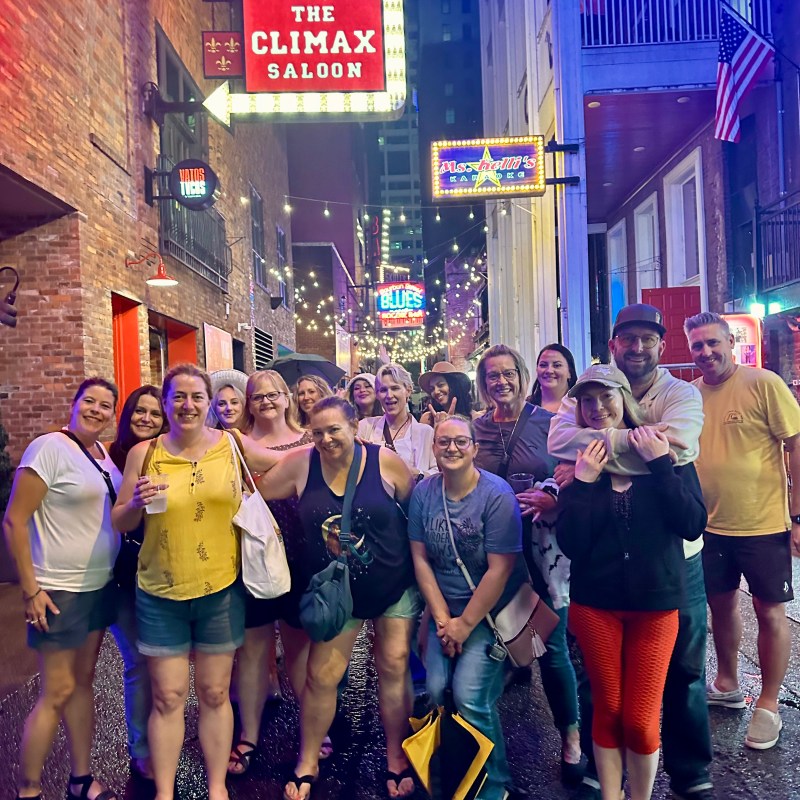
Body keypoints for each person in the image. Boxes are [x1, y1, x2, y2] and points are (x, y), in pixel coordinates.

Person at [549, 303, 712, 800]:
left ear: (660, 344)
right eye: (628, 338)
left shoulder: (679, 393)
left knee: (684, 672)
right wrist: (635, 450)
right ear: (613, 344)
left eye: (647, 338)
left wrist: (601, 455)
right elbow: (560, 439)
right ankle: (605, 776)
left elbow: (681, 446)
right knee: (604, 693)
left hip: (672, 565)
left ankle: (689, 772)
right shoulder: (591, 391)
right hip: (601, 587)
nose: (637, 347)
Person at [112, 364, 283, 800]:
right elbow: (120, 521)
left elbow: (287, 457)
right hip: (159, 592)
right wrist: (134, 503)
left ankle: (217, 787)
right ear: (166, 403)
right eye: (178, 397)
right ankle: (165, 792)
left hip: (221, 590)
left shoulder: (231, 444)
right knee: (168, 697)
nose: (187, 405)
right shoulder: (144, 453)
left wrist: (341, 442)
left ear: (209, 404)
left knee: (214, 691)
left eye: (196, 397)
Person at [258, 397, 418, 800]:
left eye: (335, 430)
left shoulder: (385, 462)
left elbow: (411, 507)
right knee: (321, 675)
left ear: (355, 426)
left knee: (394, 666)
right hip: (336, 593)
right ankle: (308, 759)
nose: (327, 439)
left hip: (392, 584)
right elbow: (256, 488)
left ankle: (396, 756)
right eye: (317, 432)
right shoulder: (301, 464)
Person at [684, 311, 800, 751]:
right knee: (721, 606)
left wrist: (798, 515)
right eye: (697, 345)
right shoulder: (691, 395)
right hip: (709, 526)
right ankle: (728, 681)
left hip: (763, 523)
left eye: (713, 342)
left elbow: (796, 443)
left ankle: (768, 704)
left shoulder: (763, 383)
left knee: (770, 612)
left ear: (730, 342)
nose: (706, 352)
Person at [3, 377, 121, 800]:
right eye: (89, 401)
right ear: (74, 403)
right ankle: (29, 789)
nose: (96, 410)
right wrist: (31, 590)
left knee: (82, 683)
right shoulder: (49, 447)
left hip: (98, 586)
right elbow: (14, 520)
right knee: (56, 692)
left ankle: (80, 779)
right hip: (58, 590)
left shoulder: (102, 454)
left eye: (105, 405)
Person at [473, 344, 583, 783]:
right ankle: (486, 752)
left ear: (522, 377)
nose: (501, 382)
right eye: (492, 375)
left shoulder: (550, 422)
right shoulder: (476, 427)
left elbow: (573, 473)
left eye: (508, 374)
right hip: (492, 550)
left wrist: (553, 495)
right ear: (483, 383)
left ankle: (571, 738)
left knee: (551, 645)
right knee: (493, 638)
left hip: (540, 548)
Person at [409, 416, 529, 800]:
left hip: (489, 613)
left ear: (475, 448)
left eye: (461, 441)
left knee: (469, 696)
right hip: (443, 611)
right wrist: (443, 619)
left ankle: (495, 785)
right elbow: (420, 559)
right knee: (434, 688)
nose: (452, 448)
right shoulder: (424, 493)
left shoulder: (497, 495)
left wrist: (464, 625)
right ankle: (454, 775)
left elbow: (500, 569)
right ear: (434, 448)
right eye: (444, 441)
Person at [227, 369, 313, 777]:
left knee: (299, 648)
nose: (266, 401)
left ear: (286, 398)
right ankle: (248, 734)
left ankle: (311, 727)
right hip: (253, 556)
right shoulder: (234, 444)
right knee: (253, 652)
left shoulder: (309, 437)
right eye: (257, 396)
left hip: (299, 554)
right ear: (248, 403)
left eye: (273, 394)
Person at [107, 385, 167, 783]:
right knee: (139, 664)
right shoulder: (109, 457)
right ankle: (142, 750)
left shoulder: (167, 455)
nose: (146, 418)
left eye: (154, 413)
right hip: (120, 574)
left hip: (160, 572)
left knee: (162, 664)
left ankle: (162, 738)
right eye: (139, 411)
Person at [358, 363, 437, 481]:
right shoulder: (365, 427)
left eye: (395, 388)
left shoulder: (426, 432)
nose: (389, 395)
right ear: (377, 395)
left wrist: (417, 474)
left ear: (408, 390)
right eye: (383, 390)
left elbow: (438, 473)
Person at [418, 361, 475, 426]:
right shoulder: (427, 419)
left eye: (440, 385)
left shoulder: (474, 418)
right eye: (432, 389)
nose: (436, 391)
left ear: (453, 386)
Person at [528, 343, 578, 412]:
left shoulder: (581, 406)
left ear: (570, 372)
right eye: (543, 365)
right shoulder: (525, 407)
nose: (549, 371)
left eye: (557, 365)